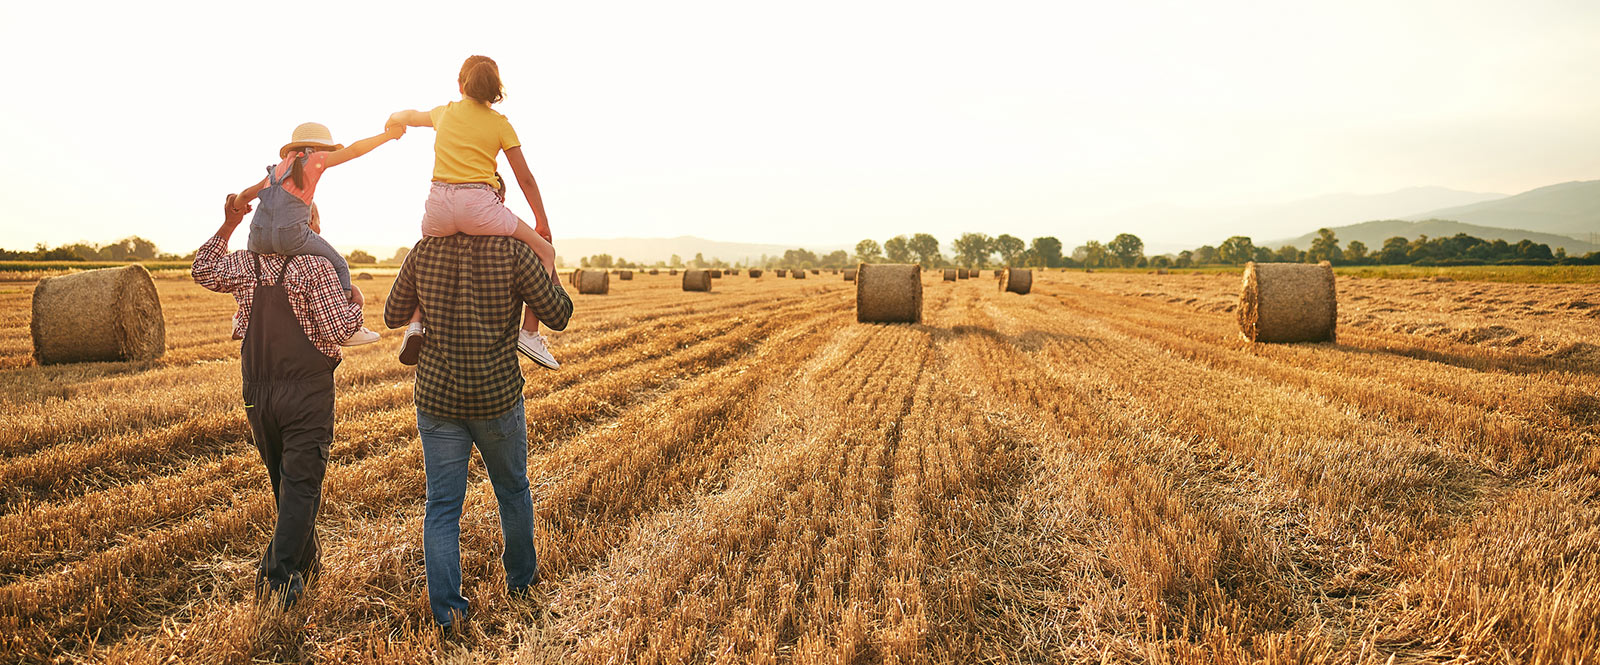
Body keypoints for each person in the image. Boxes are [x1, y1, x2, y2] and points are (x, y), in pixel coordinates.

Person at [384, 232, 572, 628]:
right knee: (513, 491)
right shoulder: (515, 251)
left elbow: (391, 314)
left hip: (438, 398)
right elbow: (558, 314)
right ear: (495, 201)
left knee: (442, 508)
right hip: (496, 398)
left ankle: (448, 615)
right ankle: (521, 585)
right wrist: (549, 262)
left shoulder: (425, 250)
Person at [193, 193, 366, 608]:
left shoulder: (243, 263)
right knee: (302, 485)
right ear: (308, 228)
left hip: (256, 388)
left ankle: (307, 563)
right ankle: (276, 580)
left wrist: (229, 223)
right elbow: (339, 329)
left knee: (285, 484)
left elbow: (201, 269)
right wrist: (356, 303)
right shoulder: (316, 265)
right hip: (306, 390)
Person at [385, 55, 561, 370]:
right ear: (495, 90)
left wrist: (394, 119)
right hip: (479, 205)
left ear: (460, 84)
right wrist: (542, 221)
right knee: (545, 251)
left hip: (437, 205)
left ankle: (415, 324)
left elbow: (409, 115)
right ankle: (531, 333)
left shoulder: (445, 113)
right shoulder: (500, 123)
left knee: (425, 254)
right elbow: (525, 178)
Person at [230, 120, 405, 346]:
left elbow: (244, 195)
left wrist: (236, 206)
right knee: (340, 264)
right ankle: (346, 325)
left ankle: (240, 317)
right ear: (318, 148)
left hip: (258, 238)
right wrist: (388, 136)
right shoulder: (314, 159)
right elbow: (354, 151)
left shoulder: (274, 171)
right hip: (291, 235)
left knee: (256, 272)